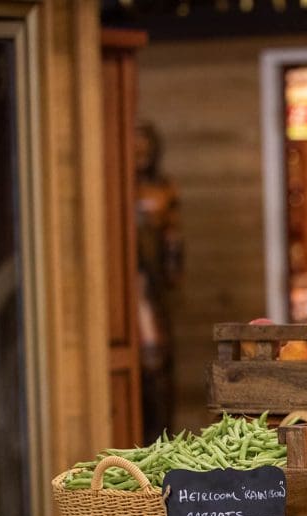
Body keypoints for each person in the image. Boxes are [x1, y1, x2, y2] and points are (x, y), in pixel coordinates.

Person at [135, 122, 183, 441]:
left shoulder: (164, 189)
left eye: (145, 150)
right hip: (131, 285)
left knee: (158, 364)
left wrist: (172, 270)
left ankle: (160, 437)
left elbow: (174, 238)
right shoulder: (117, 190)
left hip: (154, 287)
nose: (140, 156)